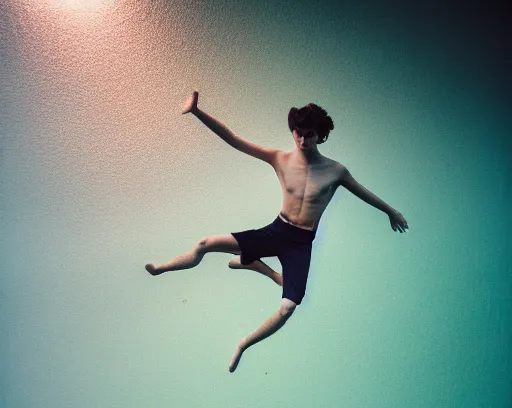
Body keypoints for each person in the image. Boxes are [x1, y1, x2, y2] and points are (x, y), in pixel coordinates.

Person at [145, 91, 408, 372]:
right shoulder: (280, 159)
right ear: (292, 132)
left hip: (300, 245)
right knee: (205, 243)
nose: (303, 141)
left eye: (309, 135)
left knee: (288, 308)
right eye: (298, 134)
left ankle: (243, 343)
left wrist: (391, 211)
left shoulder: (336, 171)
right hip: (276, 231)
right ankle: (163, 268)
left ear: (320, 135)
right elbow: (234, 140)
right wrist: (197, 112)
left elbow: (363, 192)